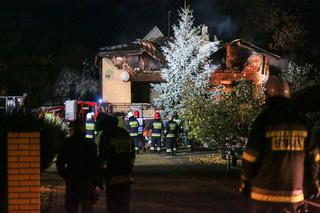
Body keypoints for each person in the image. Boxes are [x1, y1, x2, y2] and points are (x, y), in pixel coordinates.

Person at [240, 75, 320, 213]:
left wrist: (245, 182)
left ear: (267, 95)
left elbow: (250, 157)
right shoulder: (302, 122)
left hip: (263, 197)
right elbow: (314, 158)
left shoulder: (263, 121)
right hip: (293, 198)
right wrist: (313, 183)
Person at [56, 119, 99, 213]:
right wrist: (95, 182)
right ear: (84, 129)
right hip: (87, 181)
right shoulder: (91, 144)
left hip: (72, 180)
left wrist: (66, 176)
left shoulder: (67, 143)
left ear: (74, 129)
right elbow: (95, 165)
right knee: (87, 208)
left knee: (71, 207)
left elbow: (60, 163)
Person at [98, 116, 135, 213]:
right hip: (127, 175)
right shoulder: (125, 133)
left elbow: (102, 157)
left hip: (112, 176)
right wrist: (130, 166)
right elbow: (132, 154)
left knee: (113, 204)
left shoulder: (106, 136)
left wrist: (99, 177)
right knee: (124, 204)